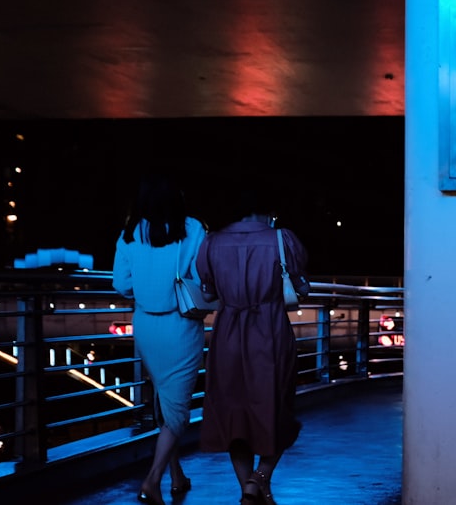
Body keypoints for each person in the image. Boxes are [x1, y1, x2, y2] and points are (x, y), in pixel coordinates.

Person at [195, 186, 310, 505]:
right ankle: (260, 479)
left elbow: (206, 294)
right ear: (266, 209)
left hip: (229, 332)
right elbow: (302, 287)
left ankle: (249, 486)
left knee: (234, 412)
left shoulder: (212, 242)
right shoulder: (281, 239)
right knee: (278, 408)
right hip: (270, 330)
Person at [112, 174, 207, 505]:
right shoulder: (193, 229)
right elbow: (202, 277)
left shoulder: (129, 234)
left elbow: (121, 285)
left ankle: (176, 475)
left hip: (147, 327)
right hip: (180, 325)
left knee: (166, 402)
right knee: (178, 409)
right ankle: (151, 481)